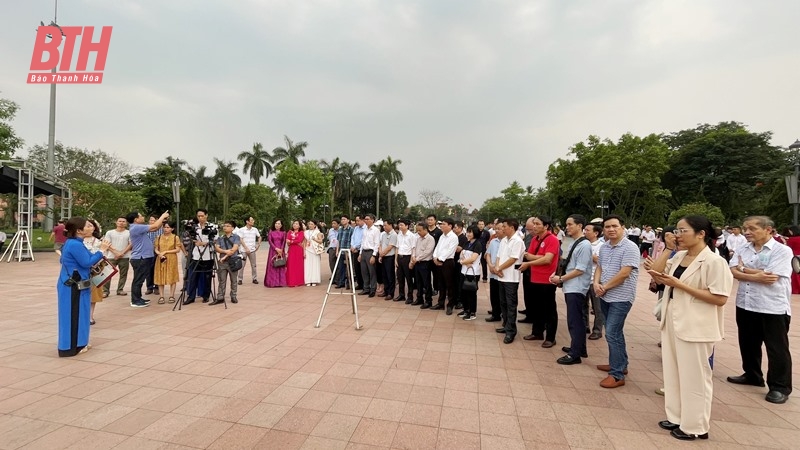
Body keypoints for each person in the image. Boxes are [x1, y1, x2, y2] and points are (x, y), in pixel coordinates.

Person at [648, 216, 732, 441]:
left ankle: (695, 425)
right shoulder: (680, 256)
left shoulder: (715, 262)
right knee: (673, 372)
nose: (678, 234)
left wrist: (680, 285)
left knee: (695, 377)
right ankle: (676, 416)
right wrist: (668, 249)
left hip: (696, 325)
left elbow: (720, 298)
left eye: (683, 230)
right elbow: (656, 274)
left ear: (701, 233)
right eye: (677, 230)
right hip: (673, 320)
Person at [727, 216, 793, 405]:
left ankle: (780, 387)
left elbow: (771, 277)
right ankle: (752, 375)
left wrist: (744, 271)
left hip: (772, 306)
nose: (747, 232)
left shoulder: (782, 250)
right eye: (745, 228)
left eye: (752, 228)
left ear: (769, 230)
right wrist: (754, 273)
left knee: (776, 348)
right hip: (746, 303)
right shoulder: (743, 248)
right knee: (748, 342)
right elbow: (733, 269)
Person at [594, 214, 640, 388]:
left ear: (623, 227)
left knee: (612, 333)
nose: (611, 229)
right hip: (605, 295)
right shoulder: (605, 247)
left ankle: (617, 374)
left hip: (621, 297)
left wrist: (604, 286)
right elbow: (600, 266)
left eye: (615, 226)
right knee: (615, 332)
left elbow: (624, 273)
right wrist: (596, 283)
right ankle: (619, 363)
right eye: (607, 227)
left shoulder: (630, 247)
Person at [56, 217, 109, 356]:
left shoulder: (75, 243)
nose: (91, 227)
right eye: (87, 226)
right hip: (73, 285)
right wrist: (101, 251)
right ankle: (71, 347)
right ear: (79, 230)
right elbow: (86, 262)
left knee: (81, 314)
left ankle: (81, 342)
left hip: (79, 284)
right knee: (73, 315)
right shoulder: (74, 244)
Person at [551, 214, 592, 365]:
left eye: (570, 224)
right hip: (572, 286)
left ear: (580, 225)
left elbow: (580, 269)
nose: (567, 227)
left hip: (577, 287)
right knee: (577, 319)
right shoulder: (577, 242)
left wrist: (561, 279)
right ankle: (579, 347)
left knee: (575, 321)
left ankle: (575, 354)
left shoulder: (584, 245)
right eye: (566, 224)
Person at [520, 216, 560, 347]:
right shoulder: (534, 239)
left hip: (547, 280)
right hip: (534, 278)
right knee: (536, 307)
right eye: (534, 224)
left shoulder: (552, 239)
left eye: (537, 224)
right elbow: (528, 254)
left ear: (546, 226)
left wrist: (531, 262)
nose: (534, 226)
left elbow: (548, 259)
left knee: (549, 309)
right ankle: (537, 332)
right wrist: (539, 258)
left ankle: (550, 337)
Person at [127, 210, 170, 307]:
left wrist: (162, 221)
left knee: (140, 279)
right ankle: (135, 301)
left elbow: (155, 229)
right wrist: (162, 216)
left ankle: (138, 298)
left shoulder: (138, 227)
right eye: (140, 216)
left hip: (143, 257)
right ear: (136, 219)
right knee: (138, 280)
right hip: (140, 258)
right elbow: (154, 226)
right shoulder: (136, 227)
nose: (143, 217)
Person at [491, 218, 524, 344]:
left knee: (511, 305)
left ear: (512, 227)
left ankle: (511, 331)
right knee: (503, 302)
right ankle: (506, 325)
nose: (502, 228)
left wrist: (499, 268)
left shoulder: (517, 241)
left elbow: (513, 259)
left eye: (504, 226)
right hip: (501, 276)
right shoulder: (504, 240)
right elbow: (499, 256)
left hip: (511, 277)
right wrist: (498, 268)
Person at [184, 209, 215, 304]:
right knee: (193, 276)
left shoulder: (212, 226)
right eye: (198, 216)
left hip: (208, 255)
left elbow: (215, 240)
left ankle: (206, 295)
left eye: (202, 216)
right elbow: (189, 238)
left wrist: (203, 243)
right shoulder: (194, 227)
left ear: (206, 216)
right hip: (196, 255)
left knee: (207, 276)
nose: (200, 218)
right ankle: (191, 296)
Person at [431, 218, 459, 314]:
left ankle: (450, 305)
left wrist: (440, 259)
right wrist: (435, 257)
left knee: (449, 284)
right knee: (441, 284)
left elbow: (450, 251)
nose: (441, 225)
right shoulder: (442, 236)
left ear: (450, 226)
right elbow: (437, 247)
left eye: (443, 224)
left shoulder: (453, 237)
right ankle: (440, 303)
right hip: (438, 262)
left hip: (447, 262)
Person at [584, 222, 605, 340]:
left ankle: (597, 330)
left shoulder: (601, 246)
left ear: (596, 233)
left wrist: (589, 256)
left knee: (597, 307)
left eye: (587, 230)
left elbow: (600, 261)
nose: (585, 232)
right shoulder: (583, 243)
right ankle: (585, 325)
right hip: (583, 279)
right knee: (583, 305)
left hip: (595, 280)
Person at [457, 225, 483, 320]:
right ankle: (466, 309)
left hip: (473, 272)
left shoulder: (478, 244)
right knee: (463, 291)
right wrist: (464, 261)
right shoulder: (467, 243)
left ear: (475, 233)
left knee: (471, 293)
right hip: (464, 271)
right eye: (467, 232)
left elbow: (473, 258)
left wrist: (463, 262)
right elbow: (462, 254)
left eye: (470, 232)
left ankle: (472, 312)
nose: (468, 234)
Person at [154, 222, 183, 304]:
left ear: (172, 229)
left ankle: (171, 295)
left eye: (168, 227)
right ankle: (161, 296)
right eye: (165, 227)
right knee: (160, 277)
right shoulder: (159, 237)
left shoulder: (175, 237)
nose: (166, 229)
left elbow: (177, 249)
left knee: (172, 276)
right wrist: (159, 254)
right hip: (161, 258)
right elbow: (156, 248)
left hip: (171, 258)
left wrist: (166, 251)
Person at [102, 217, 131, 298]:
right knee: (108, 274)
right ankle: (105, 290)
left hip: (124, 256)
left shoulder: (129, 233)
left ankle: (120, 289)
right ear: (116, 222)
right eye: (120, 221)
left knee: (123, 274)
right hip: (111, 256)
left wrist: (122, 253)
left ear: (126, 223)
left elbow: (130, 244)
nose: (121, 223)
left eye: (123, 221)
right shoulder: (110, 232)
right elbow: (107, 244)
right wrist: (116, 253)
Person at [83, 219, 105, 326]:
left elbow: (103, 255)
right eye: (86, 225)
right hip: (83, 271)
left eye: (91, 225)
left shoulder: (98, 241)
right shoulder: (78, 241)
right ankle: (82, 314)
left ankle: (90, 315)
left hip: (96, 271)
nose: (88, 227)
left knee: (94, 294)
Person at [214, 220, 241, 304]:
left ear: (232, 228)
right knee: (222, 280)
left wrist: (225, 255)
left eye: (228, 226)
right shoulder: (220, 238)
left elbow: (234, 249)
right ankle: (220, 297)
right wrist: (226, 252)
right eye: (224, 225)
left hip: (233, 261)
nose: (225, 227)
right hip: (222, 262)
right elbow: (217, 248)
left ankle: (233, 296)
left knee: (234, 280)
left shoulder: (236, 237)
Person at [411, 222, 434, 307]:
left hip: (425, 263)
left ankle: (428, 301)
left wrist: (416, 259)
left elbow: (427, 252)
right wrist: (413, 257)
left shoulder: (430, 239)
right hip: (417, 262)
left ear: (425, 229)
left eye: (420, 230)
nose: (418, 232)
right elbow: (414, 248)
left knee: (426, 282)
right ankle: (419, 298)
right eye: (417, 230)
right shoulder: (418, 238)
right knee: (418, 282)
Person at [358, 214, 380, 297]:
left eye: (367, 219)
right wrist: (360, 254)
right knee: (364, 271)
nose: (365, 221)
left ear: (372, 220)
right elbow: (362, 242)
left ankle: (373, 289)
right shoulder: (364, 230)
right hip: (364, 251)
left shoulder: (375, 230)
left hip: (371, 252)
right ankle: (366, 288)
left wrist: (374, 255)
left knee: (372, 272)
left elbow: (377, 243)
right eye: (365, 219)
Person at [395, 219, 416, 303]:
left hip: (407, 258)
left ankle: (410, 296)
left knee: (409, 278)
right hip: (400, 257)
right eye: (399, 225)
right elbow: (397, 247)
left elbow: (413, 249)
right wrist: (395, 260)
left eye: (402, 225)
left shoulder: (411, 236)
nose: (400, 227)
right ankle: (401, 295)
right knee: (400, 278)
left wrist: (411, 261)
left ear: (407, 226)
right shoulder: (399, 235)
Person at [236, 216, 262, 285]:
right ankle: (240, 279)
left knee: (253, 265)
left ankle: (254, 278)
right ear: (247, 221)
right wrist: (246, 248)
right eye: (252, 220)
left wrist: (258, 244)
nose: (253, 221)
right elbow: (240, 239)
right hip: (243, 250)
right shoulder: (241, 230)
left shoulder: (255, 229)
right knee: (241, 265)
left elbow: (259, 237)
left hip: (252, 250)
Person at [484, 230, 502, 322]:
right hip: (492, 272)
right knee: (494, 295)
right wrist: (490, 265)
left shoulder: (507, 242)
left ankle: (501, 313)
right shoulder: (493, 241)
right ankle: (495, 314)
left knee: (502, 296)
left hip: (502, 274)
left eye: (500, 228)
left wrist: (498, 268)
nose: (497, 231)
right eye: (497, 228)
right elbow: (488, 254)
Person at [378, 219, 397, 300]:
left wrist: (382, 254)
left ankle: (390, 293)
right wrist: (380, 255)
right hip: (383, 256)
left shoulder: (394, 234)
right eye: (383, 226)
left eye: (385, 225)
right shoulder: (383, 234)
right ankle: (386, 291)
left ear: (391, 225)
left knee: (390, 275)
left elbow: (390, 247)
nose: (384, 227)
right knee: (384, 275)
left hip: (390, 257)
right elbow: (380, 244)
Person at [264, 219, 287, 288]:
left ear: (281, 225)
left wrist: (281, 250)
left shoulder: (283, 232)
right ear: (274, 224)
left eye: (279, 223)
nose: (277, 225)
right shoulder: (271, 232)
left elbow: (284, 242)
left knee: (280, 265)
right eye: (276, 223)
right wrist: (276, 248)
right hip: (273, 251)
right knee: (273, 265)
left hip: (281, 250)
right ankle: (272, 282)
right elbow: (270, 241)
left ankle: (280, 282)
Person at [145, 215, 164, 296]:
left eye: (153, 220)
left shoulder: (162, 229)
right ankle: (149, 287)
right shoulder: (146, 229)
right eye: (150, 220)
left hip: (159, 252)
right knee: (149, 270)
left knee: (158, 269)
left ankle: (157, 286)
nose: (151, 222)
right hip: (148, 252)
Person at [334, 216, 353, 288]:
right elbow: (338, 240)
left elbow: (352, 240)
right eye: (342, 219)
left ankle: (348, 283)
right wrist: (337, 250)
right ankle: (341, 282)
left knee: (348, 268)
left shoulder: (351, 229)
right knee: (341, 267)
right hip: (341, 251)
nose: (343, 220)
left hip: (347, 251)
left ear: (348, 220)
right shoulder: (340, 229)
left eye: (344, 219)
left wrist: (349, 251)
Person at [285, 220, 306, 287]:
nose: (295, 225)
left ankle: (298, 281)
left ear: (299, 226)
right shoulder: (289, 232)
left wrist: (291, 241)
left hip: (299, 250)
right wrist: (291, 241)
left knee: (298, 265)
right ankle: (291, 281)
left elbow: (299, 240)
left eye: (296, 224)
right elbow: (287, 240)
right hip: (291, 250)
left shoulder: (301, 232)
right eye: (294, 223)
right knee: (291, 265)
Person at [304, 219, 323, 286]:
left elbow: (320, 241)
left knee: (315, 265)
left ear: (315, 225)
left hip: (315, 250)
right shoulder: (306, 232)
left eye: (312, 224)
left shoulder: (317, 232)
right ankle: (308, 280)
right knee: (307, 265)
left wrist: (314, 239)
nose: (310, 225)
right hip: (308, 249)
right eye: (309, 224)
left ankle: (314, 280)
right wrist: (304, 251)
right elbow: (304, 242)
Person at [782, 225, 800, 295]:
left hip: (794, 257)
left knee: (795, 275)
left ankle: (796, 290)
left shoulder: (792, 240)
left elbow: (787, 248)